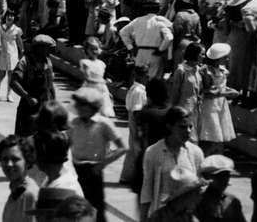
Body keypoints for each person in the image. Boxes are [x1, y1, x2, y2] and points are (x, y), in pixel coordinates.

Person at [68, 87, 126, 222]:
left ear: (91, 106)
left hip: (93, 171)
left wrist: (102, 164)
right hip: (76, 170)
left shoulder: (103, 124)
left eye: (81, 105)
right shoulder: (74, 123)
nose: (77, 108)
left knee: (96, 209)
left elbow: (123, 147)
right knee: (76, 209)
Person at [140, 106, 205, 221]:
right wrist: (143, 219)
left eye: (190, 127)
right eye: (182, 127)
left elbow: (199, 188)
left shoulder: (196, 153)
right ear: (169, 126)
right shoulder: (153, 152)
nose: (188, 131)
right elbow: (147, 189)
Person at [11, 34, 56, 137]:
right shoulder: (25, 62)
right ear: (38, 48)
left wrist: (54, 103)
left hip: (45, 107)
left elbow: (50, 85)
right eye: (47, 48)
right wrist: (27, 97)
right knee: (25, 139)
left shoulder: (48, 62)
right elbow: (14, 82)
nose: (49, 51)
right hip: (29, 107)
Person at [119, 0, 174, 80]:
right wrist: (161, 49)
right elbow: (169, 38)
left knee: (139, 78)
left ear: (145, 9)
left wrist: (130, 47)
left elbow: (122, 32)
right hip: (154, 54)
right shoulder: (160, 22)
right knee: (152, 80)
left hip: (140, 53)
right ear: (158, 9)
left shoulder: (137, 21)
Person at [199, 43, 237, 154]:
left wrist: (229, 91)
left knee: (219, 136)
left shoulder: (223, 71)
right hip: (210, 107)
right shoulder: (206, 72)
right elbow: (208, 92)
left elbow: (221, 86)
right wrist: (226, 94)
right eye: (225, 57)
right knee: (211, 135)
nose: (227, 58)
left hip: (221, 106)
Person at [0, 134, 39, 222]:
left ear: (27, 161)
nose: (9, 164)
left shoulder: (29, 195)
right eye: (5, 159)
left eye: (15, 159)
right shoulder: (16, 190)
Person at [196, 155, 247, 222]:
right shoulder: (197, 201)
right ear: (207, 177)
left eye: (227, 175)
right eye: (220, 176)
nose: (225, 180)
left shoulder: (232, 201)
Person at [78, 37, 115, 118]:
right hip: (90, 89)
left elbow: (102, 76)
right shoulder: (85, 63)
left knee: (102, 112)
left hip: (102, 90)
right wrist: (103, 82)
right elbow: (87, 78)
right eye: (92, 49)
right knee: (90, 112)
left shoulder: (102, 63)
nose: (95, 51)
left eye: (96, 49)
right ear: (86, 50)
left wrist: (106, 83)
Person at [0, 11, 23, 101]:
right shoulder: (0, 28)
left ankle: (9, 94)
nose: (10, 17)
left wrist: (22, 51)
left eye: (12, 16)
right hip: (3, 53)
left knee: (11, 75)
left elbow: (19, 41)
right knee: (2, 74)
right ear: (5, 17)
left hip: (12, 53)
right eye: (8, 16)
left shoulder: (17, 29)